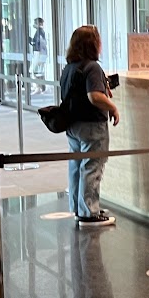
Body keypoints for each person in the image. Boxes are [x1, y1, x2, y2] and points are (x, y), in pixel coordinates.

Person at [59, 25, 120, 227]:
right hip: (92, 125)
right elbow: (94, 96)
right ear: (93, 44)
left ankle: (79, 208)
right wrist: (112, 107)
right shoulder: (92, 67)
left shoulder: (69, 67)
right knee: (92, 167)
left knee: (76, 166)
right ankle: (89, 213)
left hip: (73, 124)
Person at [29, 17, 49, 96]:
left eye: (36, 23)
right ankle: (41, 87)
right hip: (39, 53)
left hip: (39, 53)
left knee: (35, 71)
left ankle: (39, 87)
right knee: (38, 71)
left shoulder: (39, 32)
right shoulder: (40, 32)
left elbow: (40, 44)